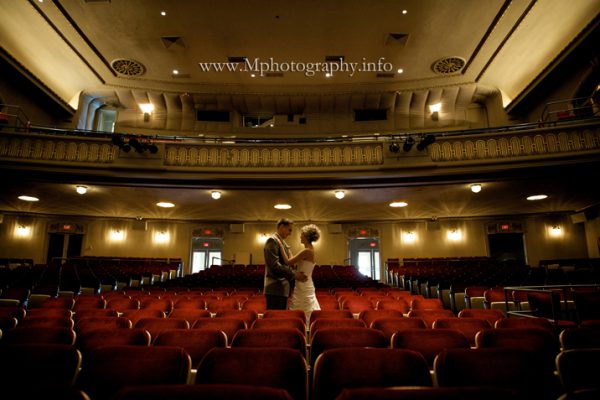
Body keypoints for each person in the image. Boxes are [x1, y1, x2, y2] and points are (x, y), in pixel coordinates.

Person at [263, 218, 307, 310]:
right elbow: (275, 266)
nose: (290, 233)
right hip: (275, 288)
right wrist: (294, 274)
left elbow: (288, 262)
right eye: (289, 230)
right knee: (276, 320)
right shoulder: (272, 241)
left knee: (281, 319)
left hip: (281, 288)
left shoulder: (281, 242)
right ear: (282, 227)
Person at [281, 224, 321, 323]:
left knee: (303, 309)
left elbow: (288, 262)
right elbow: (293, 259)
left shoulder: (307, 251)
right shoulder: (308, 250)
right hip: (303, 283)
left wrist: (280, 244)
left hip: (304, 284)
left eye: (302, 234)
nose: (300, 236)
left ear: (307, 237)